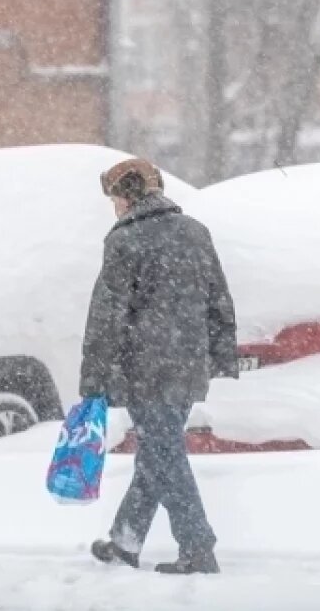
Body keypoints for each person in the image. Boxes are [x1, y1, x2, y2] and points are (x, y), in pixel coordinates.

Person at [79, 157, 239, 575]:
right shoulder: (195, 232)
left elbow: (106, 317)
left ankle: (198, 547)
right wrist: (219, 355)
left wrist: (94, 379)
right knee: (157, 453)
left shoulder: (125, 240)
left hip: (146, 370)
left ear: (129, 194)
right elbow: (219, 299)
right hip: (188, 367)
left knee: (165, 455)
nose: (114, 207)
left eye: (115, 198)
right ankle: (125, 541)